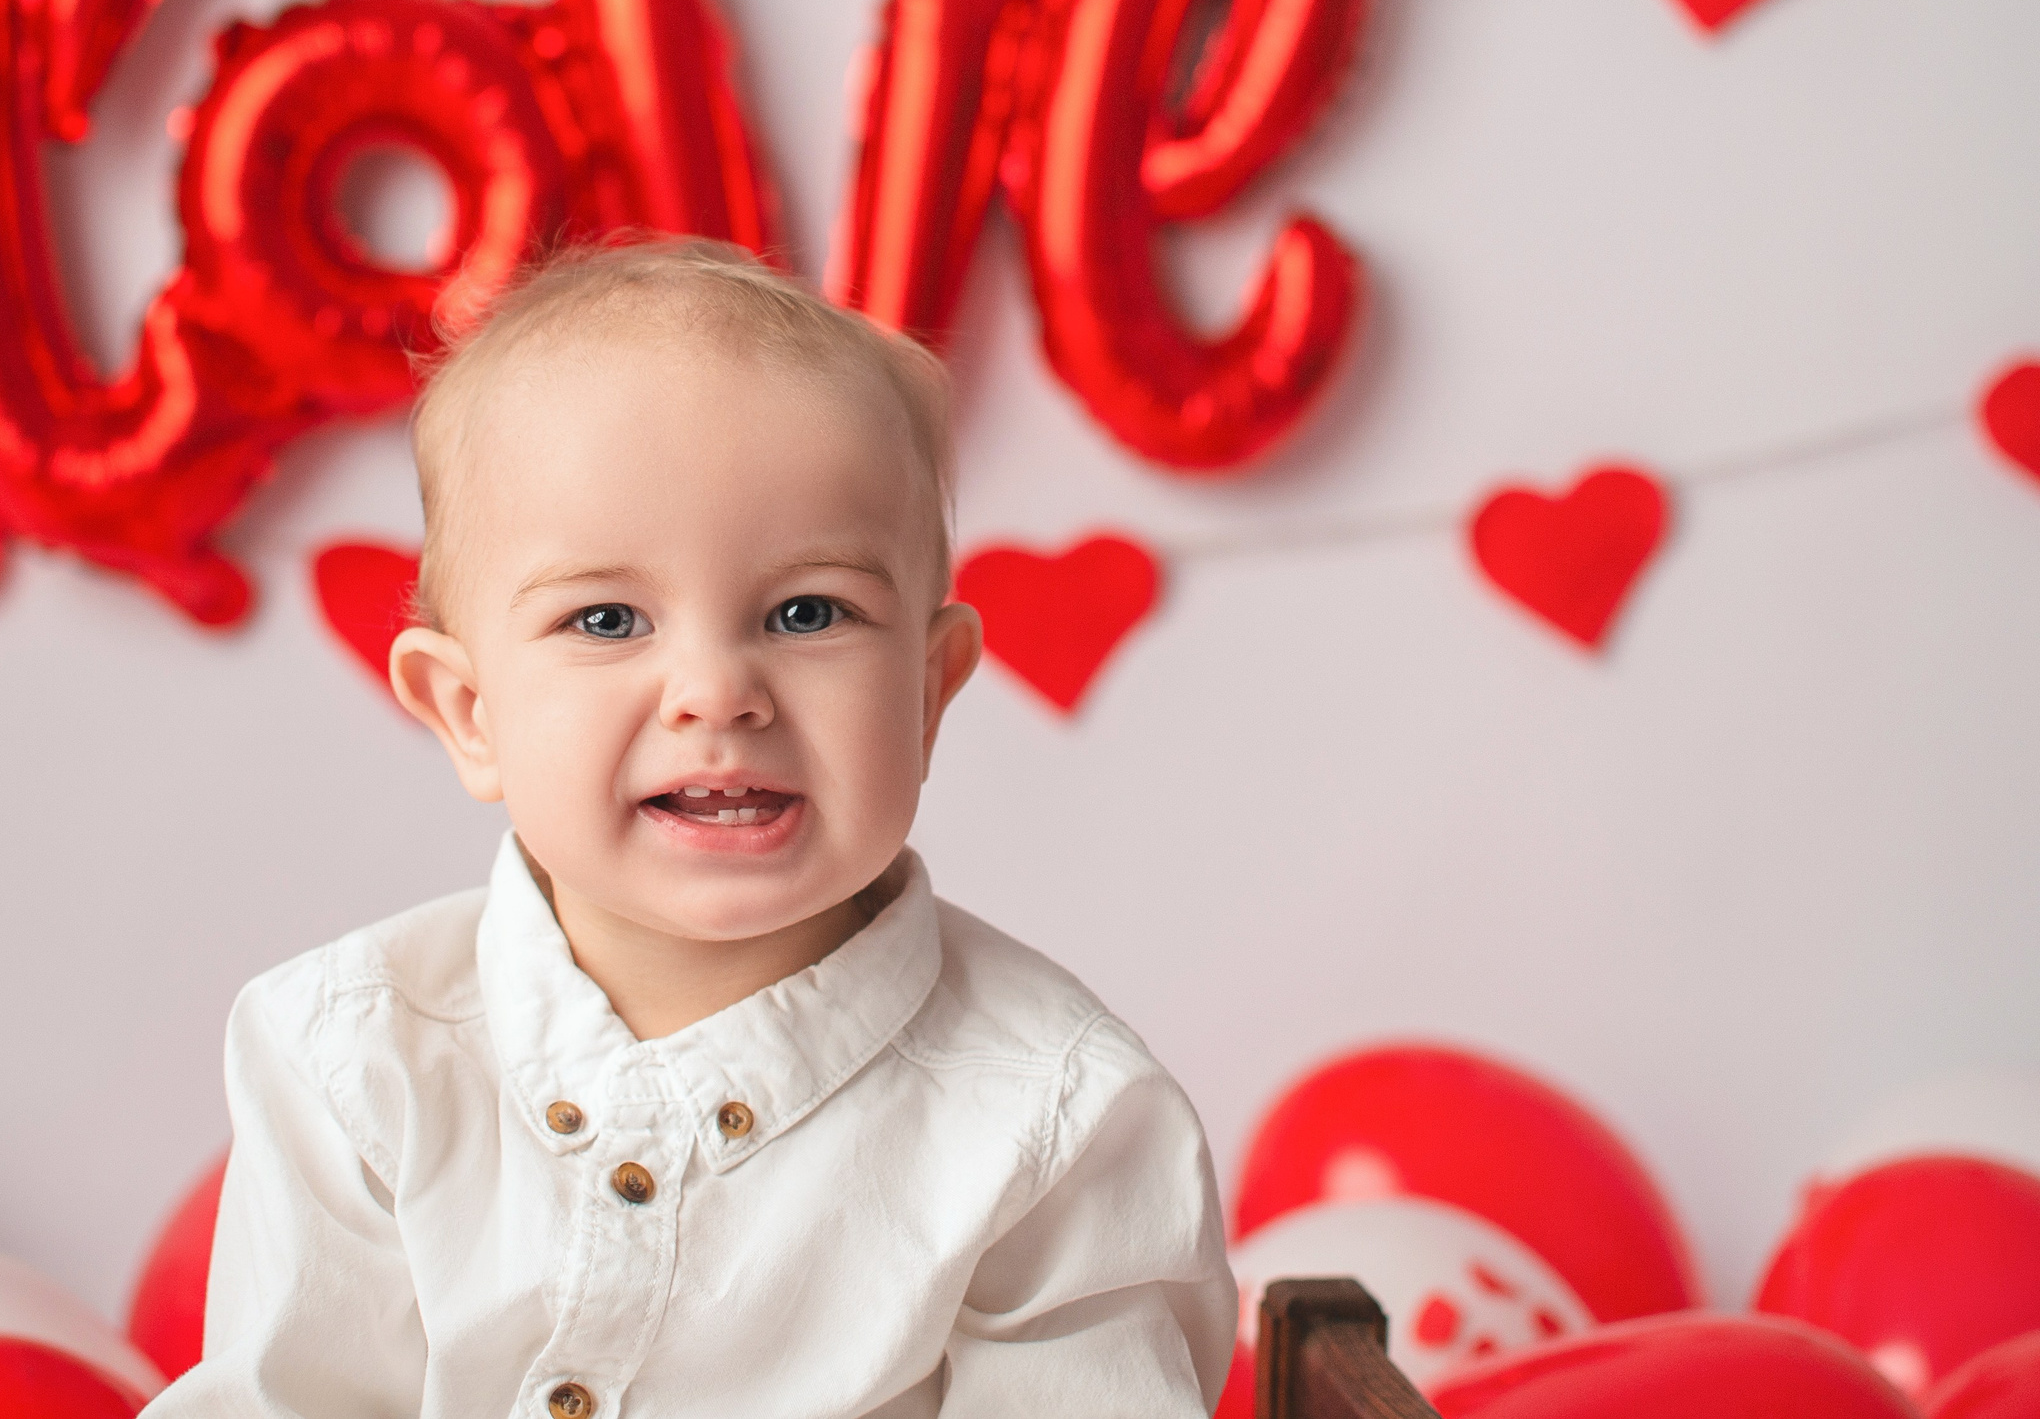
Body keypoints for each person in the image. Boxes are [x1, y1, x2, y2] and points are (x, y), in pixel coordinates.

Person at [149, 239, 1235, 1418]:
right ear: (471, 714)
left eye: (806, 610)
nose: (716, 690)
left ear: (927, 694)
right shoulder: (352, 1056)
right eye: (607, 617)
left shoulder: (1056, 1122)